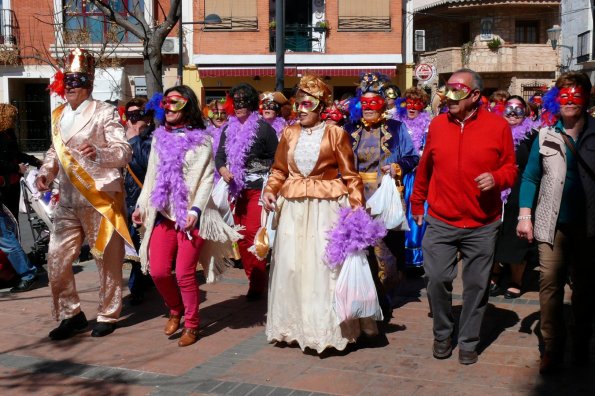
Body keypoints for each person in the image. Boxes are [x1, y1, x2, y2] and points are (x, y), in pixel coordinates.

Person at [411, 68, 517, 365]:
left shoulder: (498, 127)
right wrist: (418, 203)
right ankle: (443, 333)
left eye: (456, 90)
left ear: (475, 96)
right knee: (436, 278)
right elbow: (425, 169)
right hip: (441, 219)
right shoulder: (437, 126)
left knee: (476, 286)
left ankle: (468, 340)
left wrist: (496, 178)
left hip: (483, 223)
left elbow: (511, 168)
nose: (447, 96)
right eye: (446, 89)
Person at [262, 74, 370, 353]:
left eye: (308, 104)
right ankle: (292, 328)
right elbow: (278, 170)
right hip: (295, 209)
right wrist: (271, 190)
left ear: (321, 107)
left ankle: (324, 330)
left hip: (326, 209)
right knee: (292, 266)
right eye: (298, 104)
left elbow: (350, 175)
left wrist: (357, 211)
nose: (301, 109)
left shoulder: (336, 133)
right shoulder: (288, 133)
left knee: (323, 268)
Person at [36, 48, 133, 340]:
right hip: (67, 199)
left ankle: (108, 312)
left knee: (107, 258)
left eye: (77, 80)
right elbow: (56, 151)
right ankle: (71, 314)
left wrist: (100, 153)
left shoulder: (103, 111)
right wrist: (45, 172)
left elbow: (123, 151)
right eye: (68, 80)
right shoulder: (58, 115)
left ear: (88, 83)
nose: (72, 85)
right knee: (57, 259)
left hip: (99, 196)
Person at [132, 85, 234, 347]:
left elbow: (205, 181)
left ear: (187, 106)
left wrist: (194, 211)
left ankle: (192, 324)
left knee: (184, 274)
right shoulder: (158, 137)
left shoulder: (203, 140)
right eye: (165, 104)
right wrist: (141, 207)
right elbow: (151, 177)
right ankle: (174, 309)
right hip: (164, 215)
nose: (168, 109)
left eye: (174, 103)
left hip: (192, 218)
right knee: (158, 272)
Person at [516, 72, 595, 374]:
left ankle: (581, 342)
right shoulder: (545, 135)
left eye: (576, 95)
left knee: (587, 288)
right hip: (552, 223)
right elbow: (531, 177)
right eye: (564, 95)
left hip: (590, 225)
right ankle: (552, 346)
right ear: (555, 100)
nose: (570, 101)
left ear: (586, 98)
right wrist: (525, 216)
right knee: (549, 286)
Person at [344, 73, 419, 321]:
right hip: (357, 199)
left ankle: (385, 292)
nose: (367, 108)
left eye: (373, 103)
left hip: (386, 198)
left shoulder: (396, 128)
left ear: (383, 104)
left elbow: (412, 157)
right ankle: (372, 301)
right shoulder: (349, 128)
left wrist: (397, 166)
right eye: (363, 103)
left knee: (388, 256)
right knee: (361, 253)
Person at [215, 83, 278, 301]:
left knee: (253, 234)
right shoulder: (227, 129)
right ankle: (254, 279)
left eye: (244, 101)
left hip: (257, 190)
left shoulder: (263, 129)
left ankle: (258, 284)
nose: (240, 106)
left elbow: (277, 159)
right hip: (235, 191)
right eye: (236, 102)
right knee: (240, 237)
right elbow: (220, 157)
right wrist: (223, 170)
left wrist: (267, 177)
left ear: (251, 104)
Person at [489, 96, 537, 299]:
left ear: (525, 113)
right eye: (508, 108)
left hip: (520, 190)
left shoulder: (532, 135)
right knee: (493, 234)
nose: (512, 113)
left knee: (515, 236)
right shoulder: (493, 132)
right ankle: (495, 271)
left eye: (518, 109)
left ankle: (516, 279)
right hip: (495, 189)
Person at [395, 87, 431, 270]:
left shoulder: (428, 125)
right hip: (398, 175)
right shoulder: (396, 123)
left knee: (415, 214)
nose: (411, 107)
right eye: (408, 103)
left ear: (422, 106)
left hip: (417, 176)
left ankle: (415, 257)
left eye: (416, 103)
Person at [123, 97, 155, 305]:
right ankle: (145, 278)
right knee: (132, 245)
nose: (134, 121)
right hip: (124, 200)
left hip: (144, 200)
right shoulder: (119, 137)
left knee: (139, 243)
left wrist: (134, 140)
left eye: (139, 115)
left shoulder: (154, 139)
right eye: (130, 116)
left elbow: (148, 164)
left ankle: (136, 288)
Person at [0, 103, 43, 219]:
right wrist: (16, 167)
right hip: (3, 184)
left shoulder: (9, 133)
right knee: (6, 220)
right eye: (12, 117)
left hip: (13, 182)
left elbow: (16, 154)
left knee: (13, 217)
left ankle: (15, 237)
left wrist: (36, 161)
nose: (15, 121)